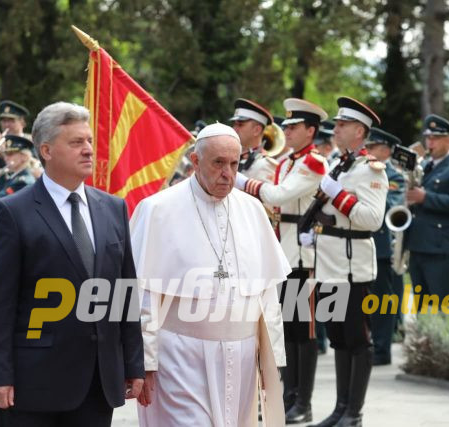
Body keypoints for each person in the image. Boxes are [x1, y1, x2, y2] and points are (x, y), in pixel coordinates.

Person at [0, 102, 144, 426]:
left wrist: (134, 363)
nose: (88, 150)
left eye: (89, 141)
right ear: (46, 150)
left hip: (98, 383)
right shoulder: (12, 212)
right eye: (76, 142)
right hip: (32, 384)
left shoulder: (112, 208)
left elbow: (125, 292)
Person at [131, 123, 290, 427]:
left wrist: (271, 364)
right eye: (218, 163)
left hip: (241, 358)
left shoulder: (253, 210)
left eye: (234, 164)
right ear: (195, 161)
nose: (228, 173)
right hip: (179, 358)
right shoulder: (157, 210)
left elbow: (266, 294)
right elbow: (143, 295)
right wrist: (145, 362)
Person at [235, 98, 328, 423]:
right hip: (284, 251)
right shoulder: (289, 160)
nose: (286, 131)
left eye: (294, 127)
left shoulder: (313, 163)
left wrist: (239, 180)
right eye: (286, 126)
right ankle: (289, 397)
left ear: (311, 130)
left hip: (304, 256)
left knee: (305, 334)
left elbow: (277, 196)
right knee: (287, 332)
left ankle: (303, 402)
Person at [302, 97, 388, 427]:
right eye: (336, 124)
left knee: (356, 339)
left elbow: (372, 219)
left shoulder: (371, 170)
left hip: (353, 269)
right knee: (338, 338)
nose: (335, 129)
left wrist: (338, 195)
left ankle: (354, 412)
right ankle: (340, 408)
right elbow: (334, 214)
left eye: (341, 125)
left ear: (359, 131)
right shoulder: (340, 165)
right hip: (328, 264)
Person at [405, 115, 449, 302]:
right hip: (419, 244)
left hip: (441, 249)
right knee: (421, 307)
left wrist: (425, 197)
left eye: (435, 138)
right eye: (428, 138)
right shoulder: (426, 165)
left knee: (441, 308)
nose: (430, 142)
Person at [365, 127, 405, 367]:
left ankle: (382, 349)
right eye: (367, 147)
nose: (368, 151)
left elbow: (390, 205)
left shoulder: (396, 176)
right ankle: (368, 345)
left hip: (381, 245)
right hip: (360, 244)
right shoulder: (362, 171)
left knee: (381, 301)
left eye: (373, 147)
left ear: (386, 150)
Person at [230, 98, 277, 183]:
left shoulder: (265, 165)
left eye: (240, 125)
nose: (234, 129)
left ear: (257, 130)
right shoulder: (232, 155)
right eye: (234, 124)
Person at [0, 135, 36, 200]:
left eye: (10, 154)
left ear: (24, 157)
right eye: (5, 154)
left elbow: (1, 201)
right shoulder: (7, 177)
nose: (6, 158)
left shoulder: (23, 181)